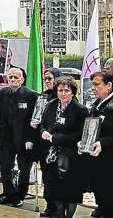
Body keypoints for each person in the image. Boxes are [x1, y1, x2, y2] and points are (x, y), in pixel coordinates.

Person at [39, 77, 87, 218]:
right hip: (51, 155)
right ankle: (57, 213)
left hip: (71, 156)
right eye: (60, 90)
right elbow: (42, 123)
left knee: (70, 191)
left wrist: (58, 138)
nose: (63, 93)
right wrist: (43, 132)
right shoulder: (50, 105)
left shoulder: (80, 109)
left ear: (73, 92)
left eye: (67, 90)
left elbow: (81, 134)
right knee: (53, 190)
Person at [0, 67, 38, 208]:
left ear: (22, 80)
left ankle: (20, 195)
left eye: (16, 77)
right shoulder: (0, 93)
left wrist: (31, 139)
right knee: (5, 167)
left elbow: (34, 119)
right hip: (5, 138)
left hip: (24, 139)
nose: (12, 80)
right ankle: (8, 193)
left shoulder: (32, 95)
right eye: (10, 77)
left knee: (24, 169)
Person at [31, 67, 62, 217]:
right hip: (43, 143)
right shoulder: (43, 96)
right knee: (46, 177)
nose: (47, 82)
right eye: (45, 79)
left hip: (58, 144)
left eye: (50, 78)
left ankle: (58, 207)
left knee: (57, 177)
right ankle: (50, 205)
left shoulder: (64, 96)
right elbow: (38, 116)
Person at [81, 72, 113, 218]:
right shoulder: (96, 103)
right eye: (92, 84)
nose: (93, 88)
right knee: (98, 182)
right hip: (95, 153)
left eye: (97, 84)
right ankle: (102, 205)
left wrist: (104, 143)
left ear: (109, 85)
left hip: (109, 154)